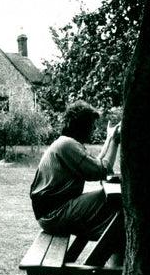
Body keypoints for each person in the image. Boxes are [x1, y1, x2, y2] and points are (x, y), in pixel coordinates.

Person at [30, 100, 120, 241]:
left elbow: (96, 162)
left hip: (50, 214)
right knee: (110, 198)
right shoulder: (67, 145)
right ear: (82, 126)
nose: (95, 128)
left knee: (109, 212)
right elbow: (103, 170)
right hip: (54, 214)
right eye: (92, 124)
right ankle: (110, 240)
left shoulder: (66, 143)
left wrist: (109, 138)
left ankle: (110, 238)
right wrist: (115, 141)